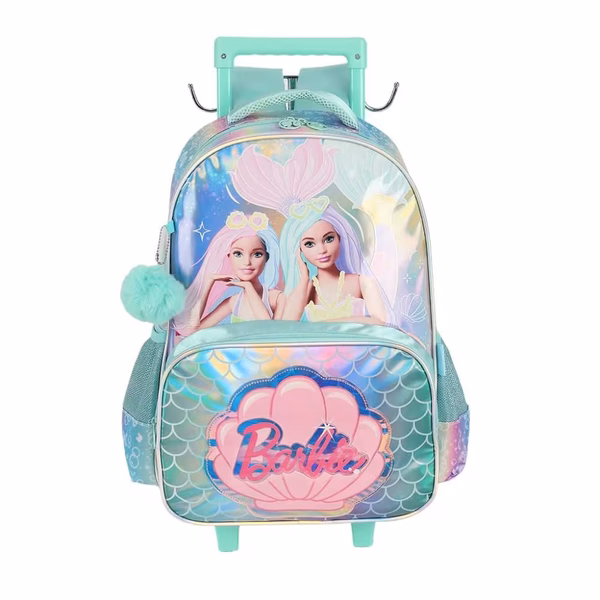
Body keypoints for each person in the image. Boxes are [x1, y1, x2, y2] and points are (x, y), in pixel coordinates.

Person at [231, 139, 396, 325]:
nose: (322, 250)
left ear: (340, 238)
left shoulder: (362, 282)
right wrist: (303, 278)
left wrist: (326, 326)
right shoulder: (306, 288)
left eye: (329, 239)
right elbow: (286, 326)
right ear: (299, 250)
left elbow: (380, 322)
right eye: (309, 244)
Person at [173, 211, 283, 337]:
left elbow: (269, 330)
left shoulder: (277, 298)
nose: (247, 262)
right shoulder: (233, 302)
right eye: (238, 254)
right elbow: (194, 331)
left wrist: (248, 287)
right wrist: (209, 281)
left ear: (266, 258)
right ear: (229, 256)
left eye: (257, 254)